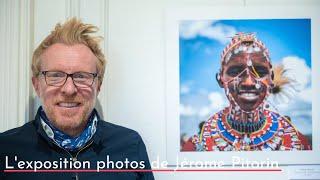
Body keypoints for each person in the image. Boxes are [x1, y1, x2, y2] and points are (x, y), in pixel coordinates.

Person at [0, 18, 154, 180]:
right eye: (55, 75)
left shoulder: (129, 144)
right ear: (37, 85)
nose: (69, 89)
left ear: (98, 85)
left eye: (82, 76)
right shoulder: (5, 149)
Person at [185, 33, 311, 151]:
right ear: (220, 79)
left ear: (271, 78)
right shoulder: (196, 147)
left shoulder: (298, 143)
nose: (249, 82)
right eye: (234, 71)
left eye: (260, 72)